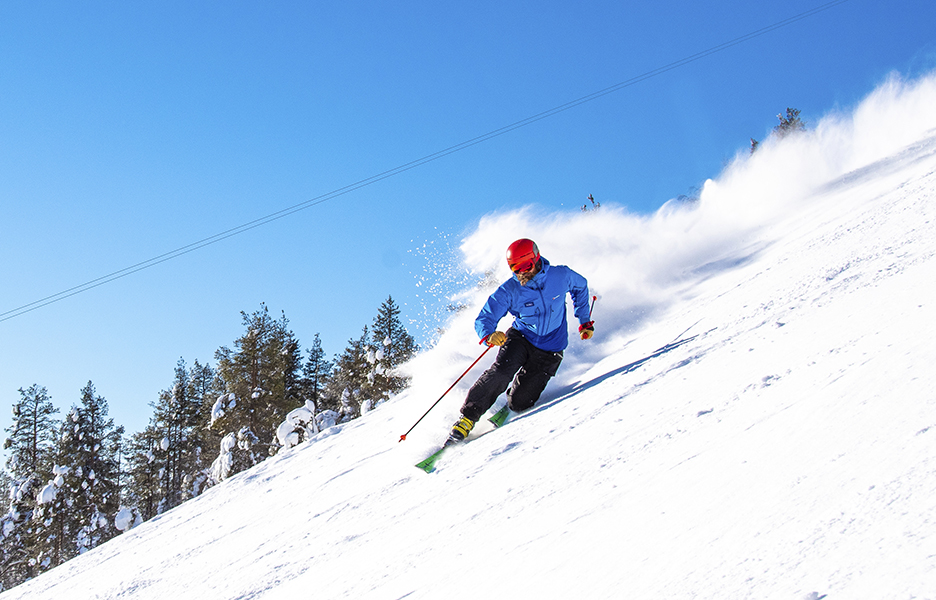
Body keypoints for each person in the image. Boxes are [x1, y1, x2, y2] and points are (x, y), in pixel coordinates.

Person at [448, 238, 593, 442]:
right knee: (500, 372)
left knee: (520, 403)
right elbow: (485, 317)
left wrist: (584, 321)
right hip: (521, 338)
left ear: (536, 258)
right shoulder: (511, 289)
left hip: (551, 348)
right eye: (516, 268)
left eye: (526, 266)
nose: (522, 272)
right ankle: (467, 418)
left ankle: (514, 396)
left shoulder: (561, 276)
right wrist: (488, 334)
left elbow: (581, 286)